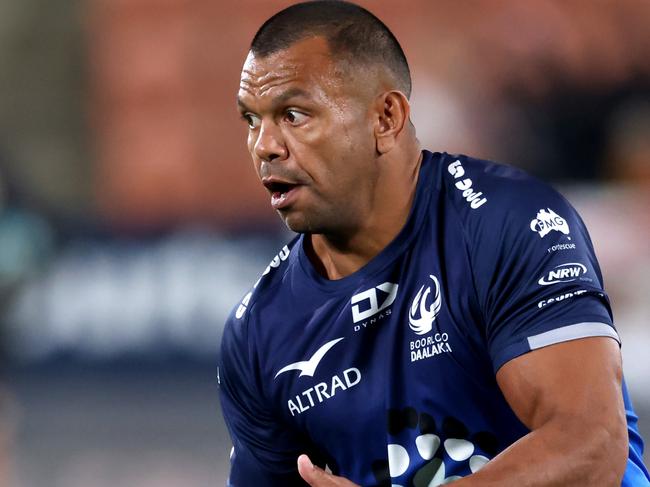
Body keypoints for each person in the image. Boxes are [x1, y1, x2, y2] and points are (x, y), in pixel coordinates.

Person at [218, 1, 650, 485]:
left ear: (386, 117)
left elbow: (590, 446)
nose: (264, 146)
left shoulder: (509, 224)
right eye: (251, 120)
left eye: (293, 115)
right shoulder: (259, 331)